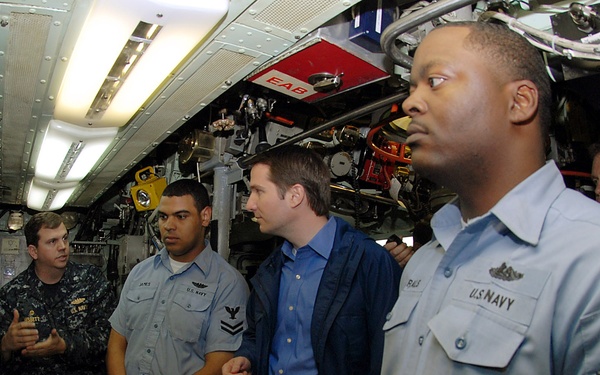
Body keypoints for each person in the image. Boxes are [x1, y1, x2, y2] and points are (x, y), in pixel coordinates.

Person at [381, 21, 600, 374]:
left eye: (434, 81)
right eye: (411, 87)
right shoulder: (425, 264)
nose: (410, 103)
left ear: (519, 102)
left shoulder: (589, 258)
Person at [222, 145, 402, 375]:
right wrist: (246, 357)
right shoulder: (270, 269)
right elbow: (256, 336)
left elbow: (390, 356)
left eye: (259, 191)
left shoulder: (369, 262)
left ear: (295, 195)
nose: (249, 205)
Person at [107, 178, 249, 375]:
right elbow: (117, 342)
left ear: (205, 216)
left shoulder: (227, 283)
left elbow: (220, 362)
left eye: (181, 216)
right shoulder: (140, 272)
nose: (169, 226)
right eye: (163, 217)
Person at [0, 211, 117, 374]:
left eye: (64, 238)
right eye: (52, 241)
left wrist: (65, 345)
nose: (62, 247)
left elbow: (110, 337)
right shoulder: (11, 295)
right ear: (33, 252)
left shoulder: (91, 281)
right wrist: (5, 345)